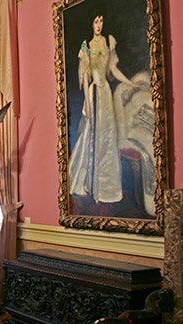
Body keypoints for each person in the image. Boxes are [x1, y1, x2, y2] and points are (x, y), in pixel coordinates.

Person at [69, 9, 142, 204]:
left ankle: (108, 188)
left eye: (101, 20)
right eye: (95, 21)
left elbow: (113, 70)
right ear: (91, 24)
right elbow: (85, 79)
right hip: (94, 93)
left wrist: (130, 83)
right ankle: (92, 186)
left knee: (108, 138)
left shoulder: (109, 42)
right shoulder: (86, 47)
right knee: (93, 137)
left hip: (106, 94)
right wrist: (89, 105)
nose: (99, 24)